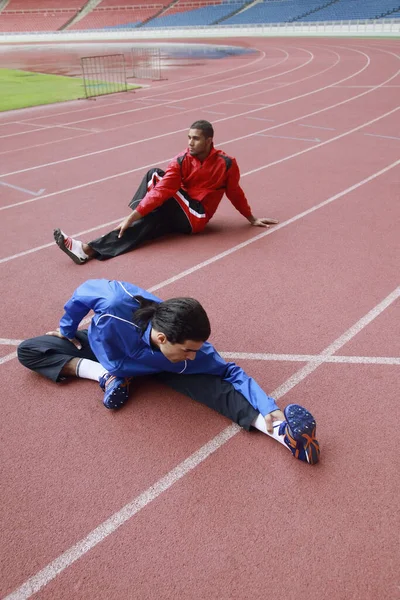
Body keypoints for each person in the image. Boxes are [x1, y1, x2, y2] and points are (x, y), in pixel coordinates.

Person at [17, 279, 320, 465]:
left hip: (159, 367)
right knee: (30, 350)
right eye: (189, 349)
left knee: (214, 387)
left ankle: (285, 436)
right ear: (162, 338)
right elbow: (82, 294)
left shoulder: (190, 356)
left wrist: (269, 407)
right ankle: (104, 376)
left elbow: (231, 373)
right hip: (107, 354)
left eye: (197, 349)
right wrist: (67, 329)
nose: (194, 354)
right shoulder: (114, 305)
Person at [53, 120, 278, 265]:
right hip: (180, 208)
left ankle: (137, 217)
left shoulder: (226, 163)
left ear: (209, 140)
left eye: (196, 138)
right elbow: (164, 190)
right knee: (150, 211)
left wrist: (251, 218)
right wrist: (140, 216)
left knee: (157, 181)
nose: (190, 142)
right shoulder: (181, 160)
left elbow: (235, 192)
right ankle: (88, 250)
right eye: (188, 137)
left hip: (197, 216)